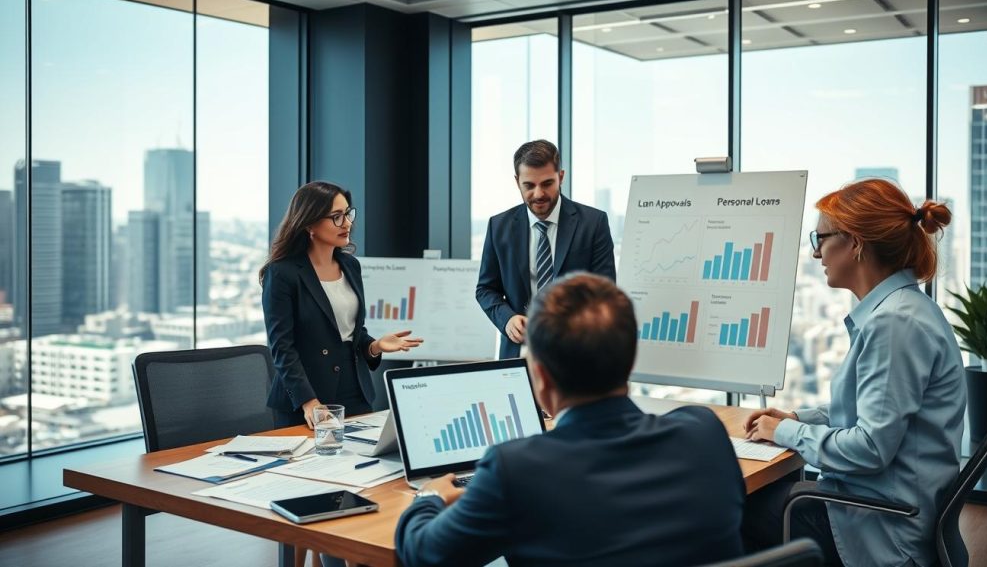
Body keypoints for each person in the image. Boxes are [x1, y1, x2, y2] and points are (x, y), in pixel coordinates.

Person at [396, 273, 745, 567]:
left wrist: (429, 496)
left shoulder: (515, 469)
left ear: (541, 378)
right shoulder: (705, 432)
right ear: (630, 359)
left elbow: (424, 554)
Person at [742, 179, 966, 567]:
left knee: (733, 507)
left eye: (821, 238)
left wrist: (784, 433)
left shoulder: (895, 324)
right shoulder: (902, 310)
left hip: (883, 530)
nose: (816, 253)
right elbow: (868, 410)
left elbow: (869, 448)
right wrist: (796, 419)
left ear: (855, 243)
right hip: (884, 507)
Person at [260, 181, 422, 429]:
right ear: (309, 224)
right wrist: (309, 402)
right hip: (307, 397)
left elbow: (350, 331)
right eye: (336, 217)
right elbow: (282, 347)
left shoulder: (350, 266)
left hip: (355, 389)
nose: (347, 223)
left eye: (347, 213)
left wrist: (375, 346)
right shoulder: (282, 273)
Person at [477, 140, 616, 359]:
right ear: (517, 182)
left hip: (578, 354)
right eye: (529, 185)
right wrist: (508, 320)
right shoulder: (499, 226)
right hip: (518, 355)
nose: (538, 194)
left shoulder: (593, 223)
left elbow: (605, 293)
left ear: (561, 177)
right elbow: (485, 289)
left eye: (547, 183)